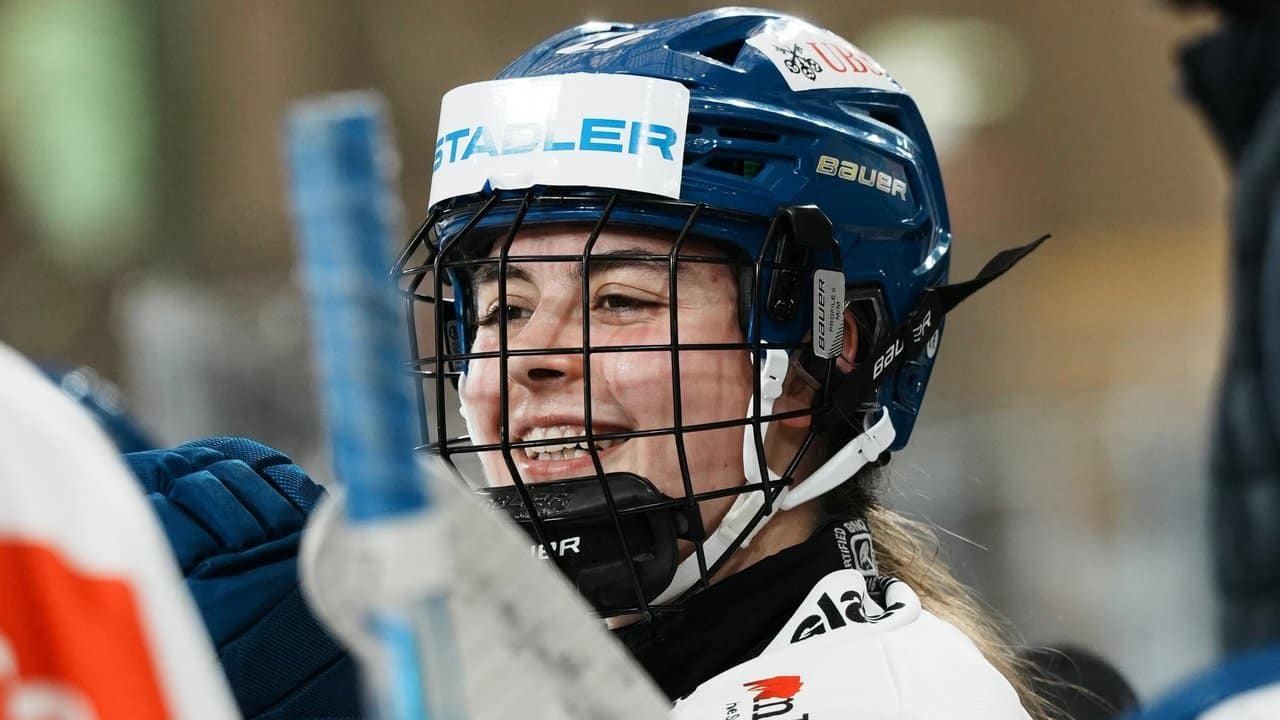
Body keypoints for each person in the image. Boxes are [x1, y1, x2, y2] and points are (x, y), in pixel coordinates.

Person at [138, 8, 1055, 718]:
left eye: (620, 300)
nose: (530, 358)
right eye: (503, 308)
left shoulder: (885, 695)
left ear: (831, 352)